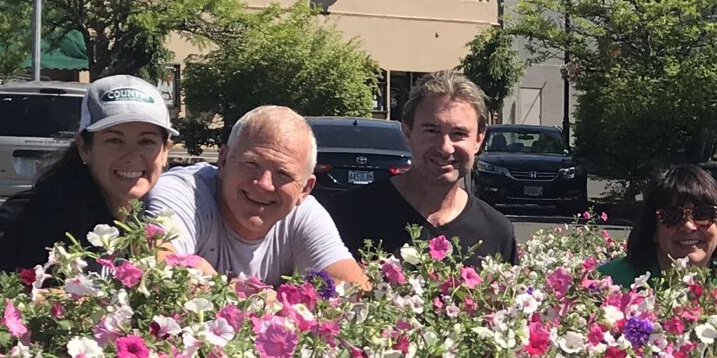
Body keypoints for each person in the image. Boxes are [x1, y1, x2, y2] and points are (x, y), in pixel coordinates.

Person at [0, 74, 175, 296]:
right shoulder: (38, 213)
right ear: (84, 148)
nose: (131, 156)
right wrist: (38, 303)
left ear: (165, 152)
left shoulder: (145, 220)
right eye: (114, 141)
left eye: (146, 141)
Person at [141, 104, 370, 291]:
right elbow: (156, 265)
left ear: (305, 189)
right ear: (223, 161)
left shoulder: (304, 214)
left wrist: (220, 286)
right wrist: (262, 301)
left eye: (283, 175)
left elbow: (355, 290)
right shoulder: (183, 192)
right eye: (251, 164)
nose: (263, 184)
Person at [325, 71, 519, 265]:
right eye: (432, 131)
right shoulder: (347, 215)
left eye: (458, 133)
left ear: (478, 139)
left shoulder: (496, 232)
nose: (445, 147)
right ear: (407, 133)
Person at [597, 163, 717, 292]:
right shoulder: (604, 285)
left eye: (703, 214)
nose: (688, 226)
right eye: (672, 216)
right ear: (653, 229)